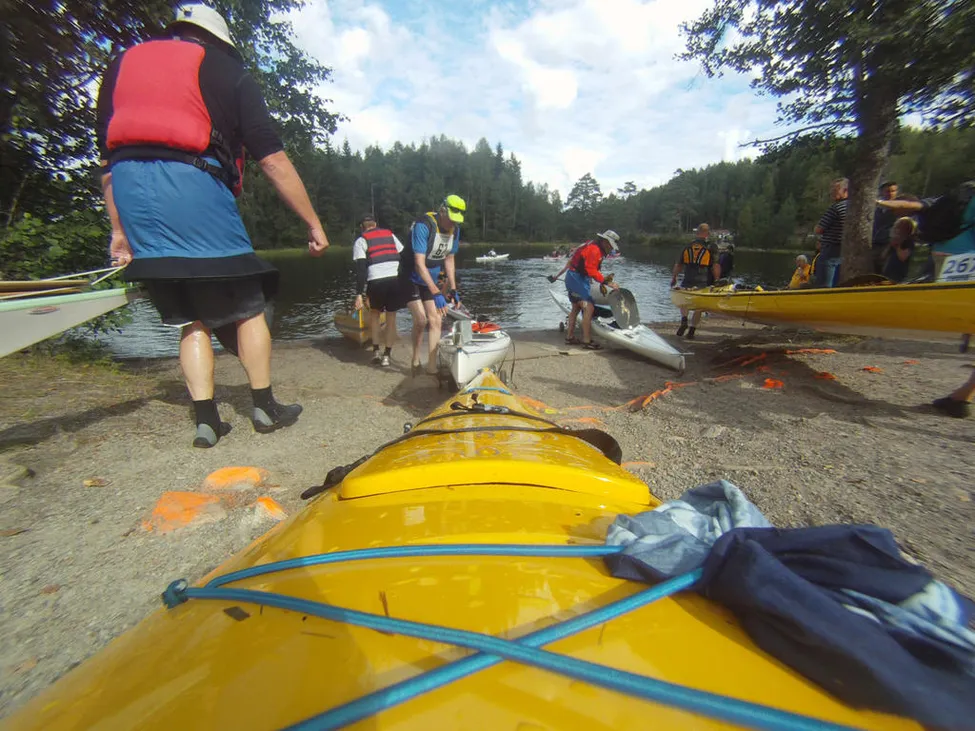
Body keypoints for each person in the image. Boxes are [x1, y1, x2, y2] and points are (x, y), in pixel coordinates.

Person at [96, 3, 329, 448]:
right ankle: (264, 407)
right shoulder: (226, 70)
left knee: (192, 315)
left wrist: (119, 229)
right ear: (220, 40)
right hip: (194, 185)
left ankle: (207, 420)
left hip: (132, 195)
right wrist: (312, 222)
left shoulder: (121, 65)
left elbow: (107, 162)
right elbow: (273, 161)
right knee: (250, 303)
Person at [401, 195, 465, 375]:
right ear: (442, 210)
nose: (453, 223)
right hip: (411, 276)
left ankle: (431, 366)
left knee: (436, 319)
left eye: (456, 220)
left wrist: (453, 288)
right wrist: (437, 292)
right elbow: (419, 264)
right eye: (451, 219)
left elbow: (450, 259)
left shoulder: (455, 230)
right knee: (421, 320)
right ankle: (415, 358)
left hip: (430, 279)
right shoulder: (424, 225)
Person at [352, 214, 404, 367]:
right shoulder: (390, 235)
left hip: (376, 281)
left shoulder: (361, 240)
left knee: (374, 316)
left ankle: (376, 351)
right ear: (375, 224)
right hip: (395, 279)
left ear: (363, 227)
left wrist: (359, 295)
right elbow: (404, 256)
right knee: (391, 318)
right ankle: (387, 355)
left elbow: (361, 270)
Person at [562, 230, 621, 349]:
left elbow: (584, 266)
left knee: (576, 307)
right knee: (589, 307)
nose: (610, 248)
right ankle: (587, 341)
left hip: (574, 277)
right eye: (610, 244)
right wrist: (607, 282)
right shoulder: (595, 250)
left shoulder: (591, 245)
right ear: (605, 241)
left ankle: (569, 337)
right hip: (576, 279)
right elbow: (591, 270)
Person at [671, 223, 720, 339]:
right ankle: (692, 329)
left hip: (688, 278)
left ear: (697, 233)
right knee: (699, 306)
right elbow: (715, 266)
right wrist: (717, 279)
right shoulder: (711, 247)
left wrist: (674, 277)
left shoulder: (688, 246)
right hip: (703, 279)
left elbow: (678, 265)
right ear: (707, 234)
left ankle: (684, 320)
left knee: (684, 301)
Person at [813, 177, 849, 288]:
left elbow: (818, 229)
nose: (832, 193)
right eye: (831, 190)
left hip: (830, 249)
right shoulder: (852, 206)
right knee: (836, 281)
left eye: (835, 190)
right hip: (843, 249)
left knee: (824, 283)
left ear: (846, 190)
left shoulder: (836, 207)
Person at [871, 181, 899, 274]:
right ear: (882, 192)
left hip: (890, 245)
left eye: (893, 191)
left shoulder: (899, 209)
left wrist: (888, 248)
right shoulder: (877, 209)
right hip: (875, 244)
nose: (890, 194)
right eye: (887, 191)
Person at [882, 216, 917, 283]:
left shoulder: (908, 242)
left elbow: (903, 257)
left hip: (899, 275)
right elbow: (883, 256)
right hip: (888, 273)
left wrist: (898, 245)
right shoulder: (894, 242)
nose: (896, 230)